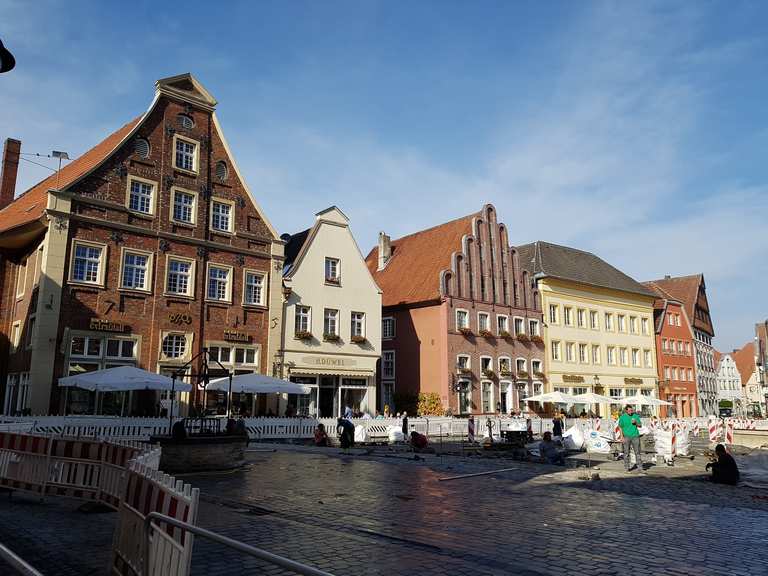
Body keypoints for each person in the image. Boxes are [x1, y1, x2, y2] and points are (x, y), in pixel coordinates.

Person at [618, 405, 644, 473]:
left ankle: (640, 468)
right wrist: (621, 436)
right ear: (626, 411)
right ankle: (627, 468)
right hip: (626, 437)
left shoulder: (635, 416)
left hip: (635, 436)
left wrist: (636, 423)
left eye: (631, 410)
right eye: (629, 410)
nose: (631, 412)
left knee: (637, 452)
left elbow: (640, 425)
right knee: (626, 453)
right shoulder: (622, 417)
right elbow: (620, 427)